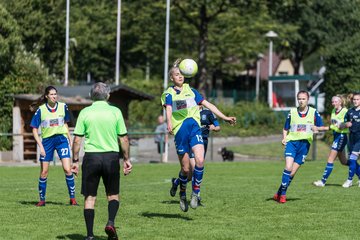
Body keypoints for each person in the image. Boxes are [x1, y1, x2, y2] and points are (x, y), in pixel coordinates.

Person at [161, 59, 236, 212]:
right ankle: (182, 193)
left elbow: (209, 105)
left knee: (200, 161)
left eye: (181, 74)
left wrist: (225, 117)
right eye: (176, 74)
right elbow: (168, 109)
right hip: (181, 131)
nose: (180, 76)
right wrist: (169, 122)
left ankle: (195, 193)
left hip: (195, 129)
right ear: (171, 78)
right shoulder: (168, 94)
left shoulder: (191, 91)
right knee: (186, 170)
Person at [72, 82, 132, 240]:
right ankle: (110, 222)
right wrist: (126, 159)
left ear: (91, 96)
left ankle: (90, 235)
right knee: (113, 195)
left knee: (90, 198)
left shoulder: (85, 112)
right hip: (111, 158)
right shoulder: (115, 112)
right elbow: (124, 138)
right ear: (108, 95)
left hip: (91, 158)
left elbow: (77, 140)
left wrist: (75, 160)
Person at [30, 86, 78, 207]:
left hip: (61, 139)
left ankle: (73, 199)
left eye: (55, 94)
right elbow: (34, 129)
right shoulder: (41, 110)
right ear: (46, 96)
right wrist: (40, 146)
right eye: (51, 94)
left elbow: (65, 123)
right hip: (47, 142)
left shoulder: (63, 106)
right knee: (44, 172)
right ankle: (42, 200)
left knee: (67, 169)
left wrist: (69, 137)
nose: (54, 96)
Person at [273, 90, 324, 203]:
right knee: (288, 167)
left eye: (303, 99)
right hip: (292, 143)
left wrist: (316, 128)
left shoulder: (314, 112)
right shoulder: (292, 112)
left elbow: (320, 126)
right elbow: (285, 128)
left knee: (292, 173)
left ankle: (278, 193)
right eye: (299, 99)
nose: (301, 101)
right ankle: (283, 196)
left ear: (308, 99)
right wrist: (284, 138)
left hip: (304, 146)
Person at [169, 107, 220, 205]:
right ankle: (196, 197)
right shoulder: (188, 112)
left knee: (191, 175)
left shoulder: (208, 112)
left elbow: (218, 127)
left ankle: (175, 183)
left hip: (202, 143)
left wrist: (214, 127)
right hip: (191, 142)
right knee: (192, 168)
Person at [313, 95, 359, 187]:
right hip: (336, 136)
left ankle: (322, 181)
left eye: (335, 101)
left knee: (330, 158)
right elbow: (333, 126)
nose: (333, 103)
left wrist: (321, 128)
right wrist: (320, 128)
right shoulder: (333, 111)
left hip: (341, 136)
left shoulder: (345, 111)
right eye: (332, 102)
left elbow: (347, 124)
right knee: (344, 162)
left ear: (340, 102)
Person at [339, 92, 360, 188]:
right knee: (353, 161)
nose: (355, 101)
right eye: (354, 99)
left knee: (352, 159)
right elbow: (343, 125)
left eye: (357, 99)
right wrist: (345, 125)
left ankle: (349, 180)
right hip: (351, 138)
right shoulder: (350, 111)